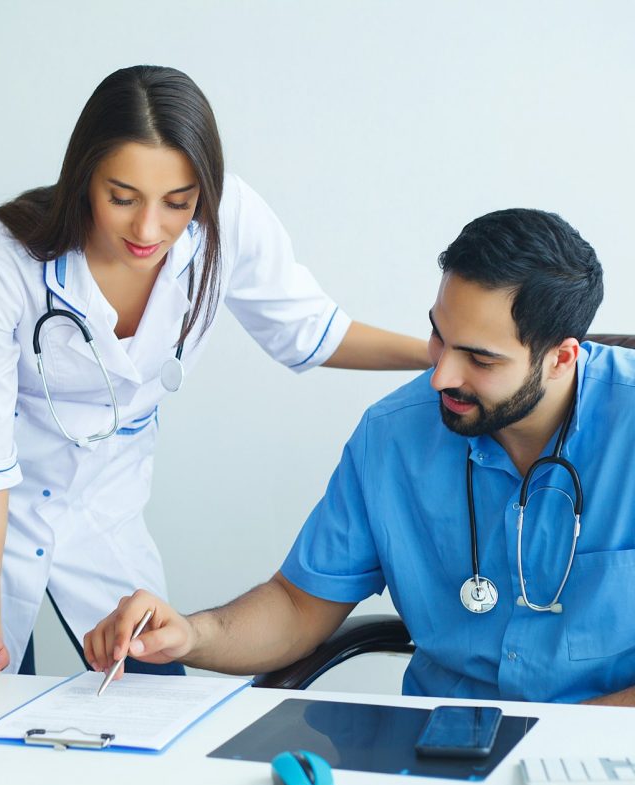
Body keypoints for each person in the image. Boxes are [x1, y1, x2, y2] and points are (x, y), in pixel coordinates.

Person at [0, 65, 430, 692]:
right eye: (122, 197)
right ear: (83, 177)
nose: (150, 230)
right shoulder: (1, 260)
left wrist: (439, 354)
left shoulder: (227, 219)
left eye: (178, 202)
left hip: (102, 501)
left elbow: (309, 329)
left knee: (150, 683)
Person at [85, 207, 635, 706]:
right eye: (439, 337)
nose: (440, 375)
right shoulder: (392, 435)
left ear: (562, 357)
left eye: (481, 359)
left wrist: (558, 743)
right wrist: (190, 633)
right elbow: (299, 607)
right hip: (441, 753)